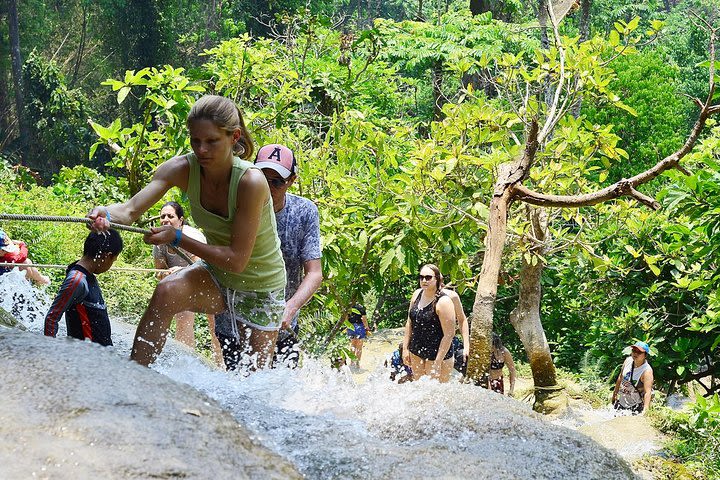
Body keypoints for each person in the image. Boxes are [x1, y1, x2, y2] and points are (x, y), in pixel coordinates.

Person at [87, 95, 286, 371]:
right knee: (166, 291)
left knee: (254, 381)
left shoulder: (250, 181)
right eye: (195, 141)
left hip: (261, 286)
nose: (201, 150)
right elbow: (130, 210)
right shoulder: (181, 169)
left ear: (234, 136)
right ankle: (134, 376)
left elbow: (237, 259)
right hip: (219, 275)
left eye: (211, 141)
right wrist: (105, 214)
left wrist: (178, 237)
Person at [253, 144, 322, 367]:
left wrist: (290, 308)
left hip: (284, 323)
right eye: (263, 179)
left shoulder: (304, 212)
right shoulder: (235, 206)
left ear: (291, 180)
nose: (269, 187)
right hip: (240, 321)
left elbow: (314, 273)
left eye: (277, 182)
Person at [152, 201, 223, 366]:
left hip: (209, 281)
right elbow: (159, 272)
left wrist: (179, 271)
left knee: (215, 327)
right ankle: (185, 363)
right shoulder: (159, 243)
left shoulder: (192, 237)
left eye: (171, 216)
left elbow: (202, 267)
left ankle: (221, 365)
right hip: (183, 285)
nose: (166, 220)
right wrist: (166, 274)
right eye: (163, 216)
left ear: (180, 220)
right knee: (183, 319)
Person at [43, 230, 123, 346]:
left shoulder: (88, 276)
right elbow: (52, 318)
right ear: (107, 256)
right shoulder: (77, 281)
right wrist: (48, 354)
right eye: (113, 261)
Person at [402, 264, 455, 382]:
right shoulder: (417, 294)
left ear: (437, 279)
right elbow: (409, 322)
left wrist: (437, 363)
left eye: (428, 277)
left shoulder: (444, 302)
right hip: (416, 351)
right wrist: (405, 349)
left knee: (436, 394)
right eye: (421, 277)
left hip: (438, 355)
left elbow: (449, 335)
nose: (424, 280)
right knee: (420, 390)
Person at [612, 341, 654, 415]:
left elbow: (648, 392)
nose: (635, 353)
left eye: (639, 352)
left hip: (635, 406)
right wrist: (614, 394)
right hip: (622, 401)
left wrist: (645, 410)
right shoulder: (628, 361)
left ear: (645, 355)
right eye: (634, 350)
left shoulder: (647, 371)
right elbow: (620, 376)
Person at [346, 303, 370, 367]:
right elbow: (363, 319)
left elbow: (345, 318)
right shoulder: (361, 307)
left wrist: (347, 326)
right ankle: (357, 363)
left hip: (350, 327)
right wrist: (367, 328)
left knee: (353, 344)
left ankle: (352, 362)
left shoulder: (349, 307)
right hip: (360, 327)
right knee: (359, 346)